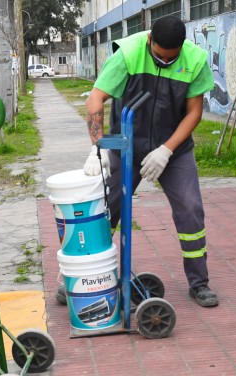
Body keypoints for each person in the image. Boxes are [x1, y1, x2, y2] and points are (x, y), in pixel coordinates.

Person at [82, 16, 218, 307]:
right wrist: (100, 147)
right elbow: (95, 99)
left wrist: (166, 150)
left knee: (191, 210)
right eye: (158, 56)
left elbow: (194, 112)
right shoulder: (128, 53)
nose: (164, 62)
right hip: (126, 144)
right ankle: (84, 279)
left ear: (182, 47)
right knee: (107, 210)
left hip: (174, 149)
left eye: (171, 58)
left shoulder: (194, 60)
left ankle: (199, 283)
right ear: (149, 42)